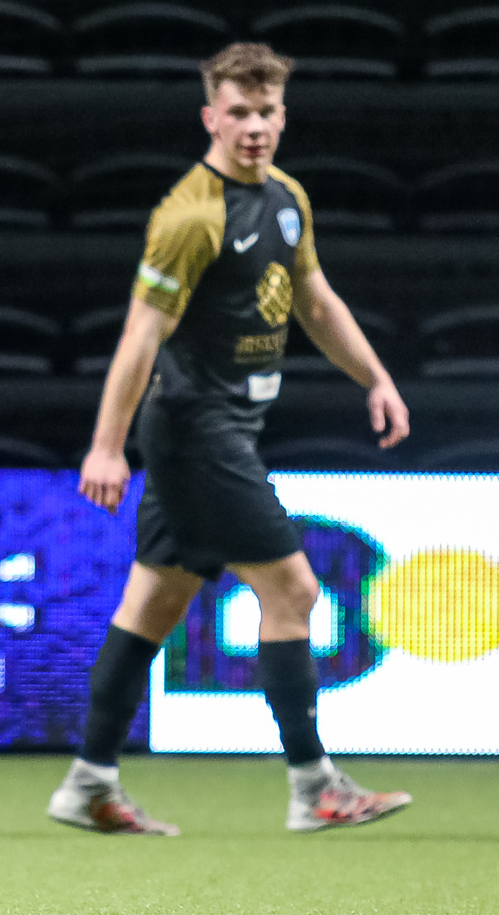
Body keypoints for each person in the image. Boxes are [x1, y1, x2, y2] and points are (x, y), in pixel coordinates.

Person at [48, 42, 413, 836]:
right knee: (295, 592)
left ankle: (88, 782)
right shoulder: (190, 215)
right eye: (239, 112)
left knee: (154, 602)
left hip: (225, 425)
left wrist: (376, 378)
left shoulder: (286, 197)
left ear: (283, 115)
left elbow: (315, 300)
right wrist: (106, 445)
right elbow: (141, 335)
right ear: (210, 117)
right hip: (195, 428)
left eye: (267, 111)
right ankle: (314, 786)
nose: (255, 126)